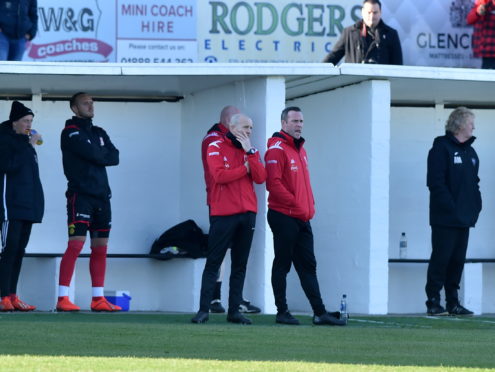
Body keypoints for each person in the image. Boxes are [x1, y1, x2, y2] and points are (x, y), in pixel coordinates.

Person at [264, 107, 346, 326]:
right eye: (294, 121)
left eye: (301, 121)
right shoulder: (276, 149)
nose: (299, 125)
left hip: (302, 216)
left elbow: (302, 185)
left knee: (308, 266)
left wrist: (308, 205)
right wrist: (296, 203)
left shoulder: (301, 150)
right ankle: (282, 311)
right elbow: (273, 184)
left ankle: (320, 313)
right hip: (284, 216)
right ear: (283, 123)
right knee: (283, 264)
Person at [192, 113, 266, 324]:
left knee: (240, 264)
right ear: (232, 127)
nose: (249, 131)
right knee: (214, 262)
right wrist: (245, 168)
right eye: (245, 127)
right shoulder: (215, 146)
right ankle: (203, 310)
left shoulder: (251, 151)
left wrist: (249, 154)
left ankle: (234, 311)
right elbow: (219, 176)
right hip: (223, 214)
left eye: (251, 128)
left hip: (248, 213)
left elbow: (260, 178)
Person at [56, 92, 121, 312]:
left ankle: (98, 299)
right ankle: (63, 298)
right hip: (80, 195)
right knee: (75, 244)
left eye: (92, 102)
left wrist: (98, 153)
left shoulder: (99, 131)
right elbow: (96, 154)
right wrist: (99, 153)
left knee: (100, 248)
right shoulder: (70, 132)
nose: (91, 106)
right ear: (74, 108)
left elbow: (114, 157)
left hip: (102, 196)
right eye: (85, 103)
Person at [425, 107, 481, 316]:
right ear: (458, 124)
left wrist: (476, 206)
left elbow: (474, 183)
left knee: (457, 261)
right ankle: (433, 301)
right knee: (441, 259)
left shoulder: (471, 152)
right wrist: (452, 208)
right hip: (445, 219)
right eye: (470, 123)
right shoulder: (441, 149)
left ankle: (453, 302)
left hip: (464, 219)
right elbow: (436, 184)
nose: (473, 127)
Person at [0, 101, 44, 311]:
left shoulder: (25, 142)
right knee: (9, 250)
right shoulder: (4, 139)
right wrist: (28, 145)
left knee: (19, 251)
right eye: (25, 121)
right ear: (14, 122)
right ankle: (2, 297)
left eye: (31, 121)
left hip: (27, 206)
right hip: (10, 206)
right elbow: (9, 166)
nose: (29, 125)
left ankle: (12, 295)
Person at [323, 0, 402, 66]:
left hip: (381, 82)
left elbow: (397, 65)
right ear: (362, 12)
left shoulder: (391, 34)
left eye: (375, 12)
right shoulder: (349, 33)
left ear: (380, 12)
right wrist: (318, 71)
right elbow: (333, 57)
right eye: (369, 12)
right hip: (353, 82)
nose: (371, 16)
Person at [466, 0, 495, 69]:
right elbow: (469, 20)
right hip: (488, 51)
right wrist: (477, 12)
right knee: (487, 75)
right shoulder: (482, 4)